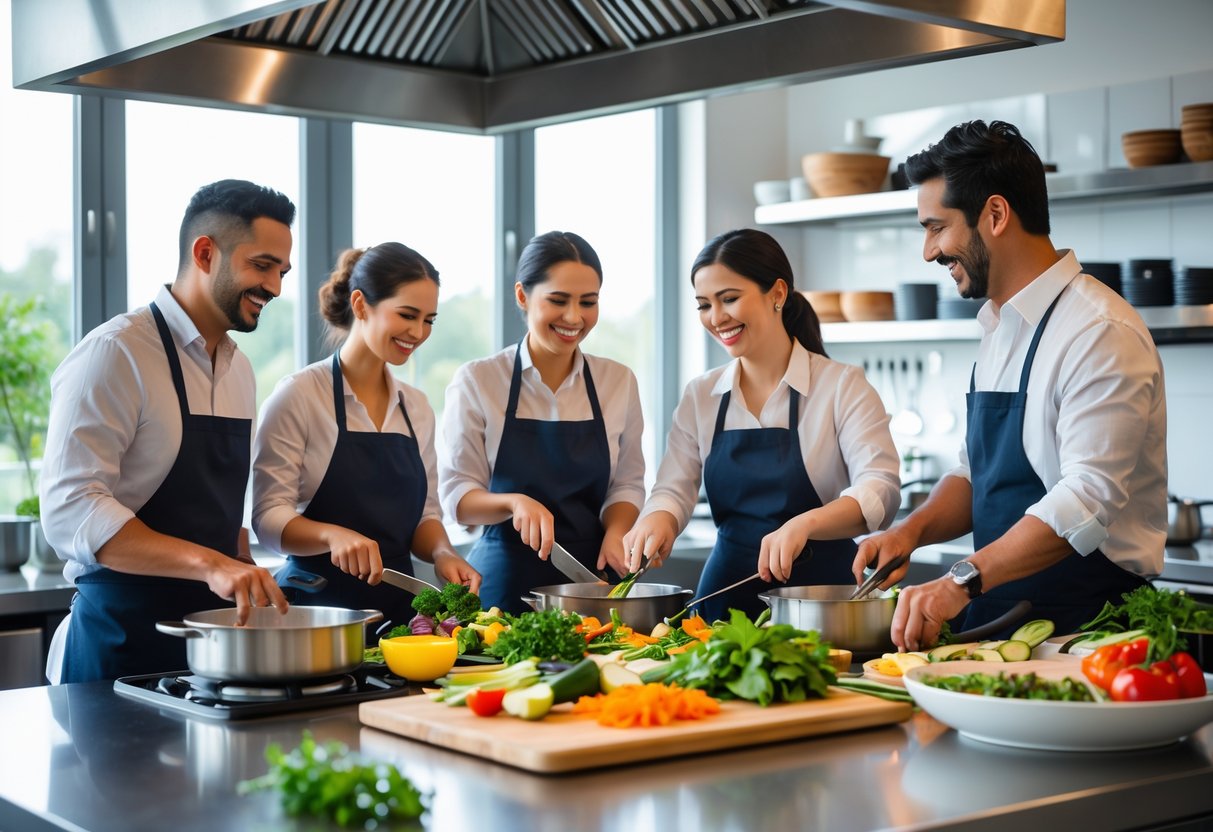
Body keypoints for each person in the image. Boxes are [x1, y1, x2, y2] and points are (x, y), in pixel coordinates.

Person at [855, 120, 1167, 651]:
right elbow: (975, 473)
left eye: (936, 227)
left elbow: (1084, 501)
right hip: (1000, 624)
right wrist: (911, 531)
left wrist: (960, 580)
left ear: (995, 214)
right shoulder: (1000, 326)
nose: (929, 252)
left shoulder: (1099, 331)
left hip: (1089, 637)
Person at [40, 179, 296, 683]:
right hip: (121, 639)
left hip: (211, 640)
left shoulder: (240, 371)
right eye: (262, 265)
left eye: (282, 271)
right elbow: (72, 507)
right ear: (205, 253)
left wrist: (242, 563)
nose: (276, 287)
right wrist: (210, 565)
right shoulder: (116, 353)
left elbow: (211, 507)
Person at [623, 229, 901, 621]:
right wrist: (658, 518)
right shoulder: (701, 395)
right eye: (704, 305)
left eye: (729, 299)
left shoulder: (841, 386)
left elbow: (880, 491)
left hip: (820, 602)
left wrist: (805, 524)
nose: (716, 318)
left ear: (777, 294)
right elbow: (673, 488)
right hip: (724, 597)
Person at [252, 243, 480, 623]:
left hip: (399, 613)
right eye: (407, 315)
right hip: (315, 611)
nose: (418, 332)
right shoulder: (300, 395)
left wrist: (442, 552)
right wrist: (331, 536)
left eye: (428, 320)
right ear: (360, 305)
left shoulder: (417, 407)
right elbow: (268, 517)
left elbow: (425, 515)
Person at [439, 231, 646, 613]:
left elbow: (627, 485)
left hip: (592, 580)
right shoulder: (479, 381)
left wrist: (618, 532)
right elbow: (458, 498)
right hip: (505, 583)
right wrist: (514, 503)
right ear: (522, 295)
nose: (574, 317)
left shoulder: (618, 382)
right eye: (558, 300)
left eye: (588, 302)